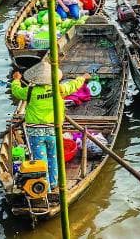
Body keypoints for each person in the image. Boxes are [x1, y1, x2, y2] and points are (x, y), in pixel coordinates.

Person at [10, 63, 88, 191]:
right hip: (53, 130)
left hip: (35, 133)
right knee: (54, 157)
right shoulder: (59, 89)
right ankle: (53, 183)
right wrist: (83, 77)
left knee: (41, 161)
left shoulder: (30, 91)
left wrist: (16, 80)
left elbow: (17, 92)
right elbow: (73, 85)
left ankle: (45, 188)